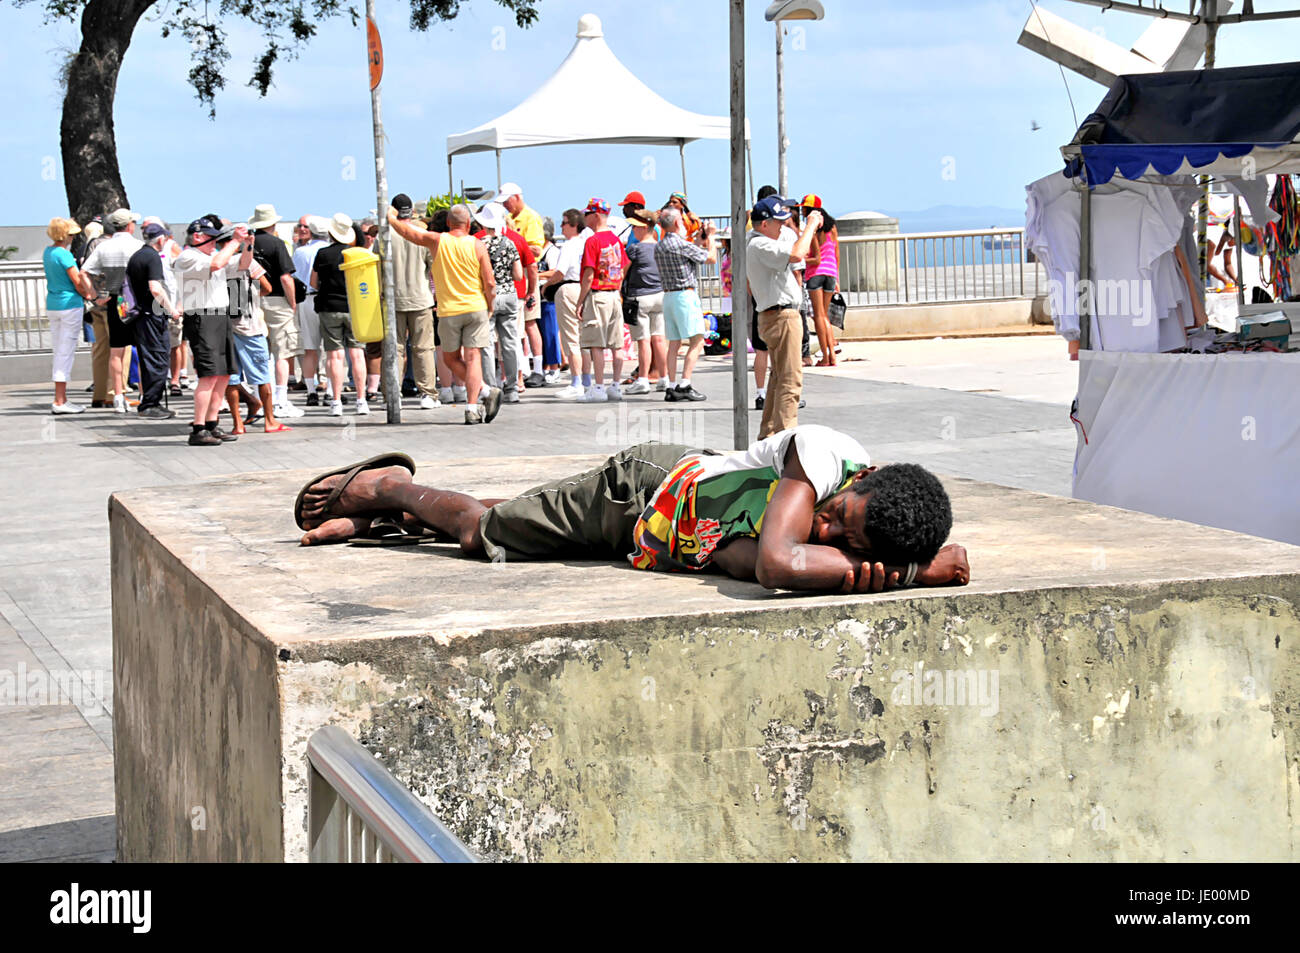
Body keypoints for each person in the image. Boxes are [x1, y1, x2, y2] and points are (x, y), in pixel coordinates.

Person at [293, 424, 970, 596]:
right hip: (644, 488)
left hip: (655, 533)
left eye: (843, 538)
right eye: (837, 515)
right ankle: (385, 488)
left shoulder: (860, 511)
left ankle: (389, 522)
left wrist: (877, 561)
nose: (824, 524)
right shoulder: (825, 455)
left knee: (521, 518)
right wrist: (913, 575)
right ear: (868, 474)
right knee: (481, 533)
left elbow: (751, 558)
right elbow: (776, 562)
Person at [387, 203, 502, 425]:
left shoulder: (438, 241)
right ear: (469, 224)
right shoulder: (478, 245)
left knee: (450, 358)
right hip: (475, 307)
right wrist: (490, 305)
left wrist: (391, 218)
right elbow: (489, 281)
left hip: (448, 310)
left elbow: (409, 232)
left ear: (448, 223)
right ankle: (476, 402)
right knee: (473, 356)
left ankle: (483, 395)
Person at [746, 196, 823, 439]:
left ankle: (768, 435)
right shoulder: (760, 245)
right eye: (778, 223)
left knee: (778, 379)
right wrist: (810, 225)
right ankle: (786, 440)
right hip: (781, 315)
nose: (782, 227)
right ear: (764, 224)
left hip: (775, 314)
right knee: (791, 380)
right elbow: (799, 253)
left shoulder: (756, 243)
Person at [173, 216, 251, 446]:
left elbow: (244, 264)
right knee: (208, 375)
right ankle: (198, 428)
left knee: (224, 373)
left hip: (220, 315)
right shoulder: (188, 257)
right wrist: (234, 241)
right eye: (211, 238)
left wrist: (247, 244)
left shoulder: (213, 255)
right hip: (201, 316)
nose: (215, 243)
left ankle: (211, 423)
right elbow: (217, 264)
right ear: (197, 237)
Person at [81, 208, 144, 414]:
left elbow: (85, 271)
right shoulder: (139, 246)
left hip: (114, 299)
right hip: (137, 300)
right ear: (129, 226)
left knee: (115, 350)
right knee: (142, 349)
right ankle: (145, 394)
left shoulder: (104, 247)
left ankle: (118, 396)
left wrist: (94, 295)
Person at [311, 213, 371, 418]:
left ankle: (336, 401)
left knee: (334, 356)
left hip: (329, 307)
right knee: (357, 354)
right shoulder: (358, 254)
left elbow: (313, 282)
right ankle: (361, 400)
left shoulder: (322, 254)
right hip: (354, 308)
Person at [654, 207, 715, 402]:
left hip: (669, 297)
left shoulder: (660, 246)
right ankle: (685, 383)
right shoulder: (680, 244)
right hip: (685, 296)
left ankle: (671, 385)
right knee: (697, 340)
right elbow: (711, 258)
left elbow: (689, 253)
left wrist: (697, 240)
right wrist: (711, 237)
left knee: (674, 343)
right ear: (675, 223)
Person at [224, 250, 289, 435]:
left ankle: (238, 424)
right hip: (251, 328)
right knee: (262, 378)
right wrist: (251, 295)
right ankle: (270, 421)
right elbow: (267, 288)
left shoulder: (217, 263)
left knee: (232, 379)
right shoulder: (248, 262)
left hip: (227, 327)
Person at [248, 204, 303, 418]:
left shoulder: (248, 245)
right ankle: (280, 400)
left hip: (253, 299)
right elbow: (285, 277)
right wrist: (292, 303)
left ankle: (259, 398)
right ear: (273, 222)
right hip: (278, 300)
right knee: (283, 351)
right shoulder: (277, 244)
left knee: (260, 351)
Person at [573, 198, 629, 403]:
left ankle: (598, 387)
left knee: (596, 343)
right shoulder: (615, 239)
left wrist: (580, 301)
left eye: (587, 214)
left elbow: (588, 274)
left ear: (596, 215)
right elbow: (624, 266)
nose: (584, 217)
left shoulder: (593, 241)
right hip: (614, 294)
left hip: (598, 295)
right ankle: (615, 385)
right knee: (616, 343)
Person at [388, 193, 440, 410]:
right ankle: (427, 393)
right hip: (421, 298)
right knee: (424, 348)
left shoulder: (386, 235)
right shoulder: (422, 233)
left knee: (395, 348)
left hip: (394, 300)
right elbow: (434, 266)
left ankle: (394, 392)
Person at [124, 222, 181, 419]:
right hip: (152, 316)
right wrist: (171, 309)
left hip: (141, 316)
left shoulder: (138, 255)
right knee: (158, 358)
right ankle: (150, 403)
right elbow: (156, 288)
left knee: (149, 358)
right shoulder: (152, 257)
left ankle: (149, 401)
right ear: (161, 239)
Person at [473, 202, 524, 405]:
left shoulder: (478, 244)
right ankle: (512, 388)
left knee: (486, 344)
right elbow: (519, 275)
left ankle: (492, 388)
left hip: (489, 296)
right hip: (510, 295)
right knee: (510, 341)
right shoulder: (509, 243)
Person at [45, 217, 92, 414]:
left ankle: (61, 398)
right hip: (69, 305)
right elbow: (76, 280)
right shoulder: (64, 255)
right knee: (66, 351)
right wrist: (89, 295)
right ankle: (59, 400)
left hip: (53, 304)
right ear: (66, 235)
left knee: (59, 350)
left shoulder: (48, 252)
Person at [540, 208, 589, 399]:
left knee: (571, 337)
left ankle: (576, 381)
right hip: (585, 288)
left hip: (569, 287)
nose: (561, 226)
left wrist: (547, 286)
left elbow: (560, 272)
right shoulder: (586, 244)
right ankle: (585, 379)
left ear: (574, 225)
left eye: (564, 222)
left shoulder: (569, 246)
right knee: (583, 337)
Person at [621, 209, 665, 395]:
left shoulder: (634, 249)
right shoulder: (661, 247)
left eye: (635, 226)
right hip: (660, 296)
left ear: (644, 227)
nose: (633, 230)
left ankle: (643, 379)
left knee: (643, 340)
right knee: (659, 338)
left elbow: (623, 271)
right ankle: (665, 378)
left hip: (640, 297)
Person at [292, 215, 329, 406]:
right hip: (328, 300)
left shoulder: (300, 252)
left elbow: (295, 278)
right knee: (332, 348)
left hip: (306, 299)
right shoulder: (332, 250)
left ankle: (311, 391)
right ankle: (331, 389)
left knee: (309, 349)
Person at [801, 195, 840, 365]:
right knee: (825, 317)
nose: (801, 210)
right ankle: (832, 354)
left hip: (816, 274)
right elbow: (836, 252)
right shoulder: (832, 227)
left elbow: (815, 257)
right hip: (831, 273)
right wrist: (837, 276)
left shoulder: (814, 226)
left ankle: (825, 357)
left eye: (803, 208)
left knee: (819, 316)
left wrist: (799, 260)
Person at [535, 217, 564, 384]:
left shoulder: (552, 251)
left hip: (549, 297)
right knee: (542, 333)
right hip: (538, 298)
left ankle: (554, 367)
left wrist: (537, 275)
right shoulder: (538, 250)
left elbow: (555, 271)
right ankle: (546, 366)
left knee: (551, 332)